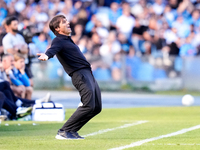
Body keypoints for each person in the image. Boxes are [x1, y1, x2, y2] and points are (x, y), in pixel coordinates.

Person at [37, 15, 102, 140]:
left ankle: (71, 131)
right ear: (57, 28)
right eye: (63, 22)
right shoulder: (58, 40)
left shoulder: (67, 40)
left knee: (96, 107)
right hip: (80, 75)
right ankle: (64, 131)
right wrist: (47, 55)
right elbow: (52, 49)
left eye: (66, 21)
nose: (67, 23)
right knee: (88, 105)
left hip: (87, 74)